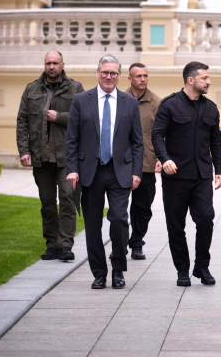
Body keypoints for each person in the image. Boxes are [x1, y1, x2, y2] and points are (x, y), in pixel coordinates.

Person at [65, 55, 143, 289]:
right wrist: (72, 169)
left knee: (119, 219)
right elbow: (72, 139)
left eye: (113, 73)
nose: (109, 77)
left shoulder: (130, 103)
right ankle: (99, 273)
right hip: (90, 172)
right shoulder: (81, 100)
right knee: (92, 225)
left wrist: (136, 171)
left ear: (120, 76)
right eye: (105, 72)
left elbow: (137, 142)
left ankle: (118, 269)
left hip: (120, 171)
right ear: (97, 73)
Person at [152, 62, 221, 287]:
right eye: (204, 78)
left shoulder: (211, 108)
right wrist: (165, 159)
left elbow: (216, 142)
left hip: (202, 176)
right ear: (190, 80)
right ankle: (182, 269)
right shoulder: (169, 105)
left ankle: (202, 266)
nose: (209, 82)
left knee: (205, 219)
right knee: (176, 225)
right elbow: (157, 136)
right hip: (175, 176)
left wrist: (219, 169)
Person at [16, 51, 84, 262]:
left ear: (63, 64)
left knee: (67, 199)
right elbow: (22, 122)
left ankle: (65, 245)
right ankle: (51, 244)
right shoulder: (31, 89)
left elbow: (85, 118)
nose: (51, 67)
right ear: (44, 65)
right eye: (48, 63)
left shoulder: (75, 88)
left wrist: (60, 117)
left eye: (55, 63)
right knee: (47, 202)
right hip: (41, 156)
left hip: (67, 157)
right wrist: (24, 150)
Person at [124, 63, 162, 260]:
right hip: (120, 162)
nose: (142, 79)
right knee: (119, 208)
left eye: (145, 75)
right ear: (129, 79)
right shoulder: (119, 99)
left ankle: (137, 242)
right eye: (138, 76)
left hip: (146, 163)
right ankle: (120, 243)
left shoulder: (157, 102)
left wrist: (160, 157)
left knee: (143, 207)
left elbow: (162, 134)